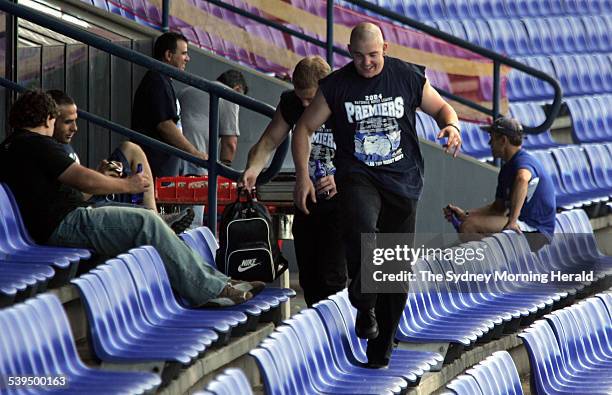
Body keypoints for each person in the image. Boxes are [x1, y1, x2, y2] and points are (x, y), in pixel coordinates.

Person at [292, 22, 461, 368]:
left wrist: (452, 126)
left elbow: (443, 109)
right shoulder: (337, 86)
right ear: (349, 54)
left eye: (372, 55)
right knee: (363, 231)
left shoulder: (406, 77)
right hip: (358, 177)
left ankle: (380, 349)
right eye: (359, 56)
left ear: (384, 49)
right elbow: (304, 128)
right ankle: (364, 302)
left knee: (395, 277)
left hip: (403, 183)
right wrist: (302, 177)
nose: (367, 63)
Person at [0, 90, 263, 307]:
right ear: (48, 118)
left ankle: (220, 283)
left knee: (148, 219)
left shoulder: (14, 145)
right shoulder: (35, 143)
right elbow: (82, 178)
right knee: (145, 224)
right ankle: (210, 291)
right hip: (65, 223)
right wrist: (127, 184)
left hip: (64, 219)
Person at [242, 56, 346, 307]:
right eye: (301, 99)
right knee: (310, 277)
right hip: (308, 196)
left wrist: (341, 176)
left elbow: (369, 152)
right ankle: (318, 333)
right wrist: (254, 169)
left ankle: (351, 332)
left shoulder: (344, 100)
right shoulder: (292, 103)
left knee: (334, 276)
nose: (306, 105)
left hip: (344, 200)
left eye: (311, 99)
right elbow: (268, 142)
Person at [47, 90, 194, 234]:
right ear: (50, 120)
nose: (75, 128)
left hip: (93, 200)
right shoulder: (49, 150)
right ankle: (157, 223)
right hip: (81, 214)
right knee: (146, 220)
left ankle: (155, 216)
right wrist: (116, 182)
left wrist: (102, 173)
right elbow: (73, 201)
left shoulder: (63, 144)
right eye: (68, 122)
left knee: (131, 149)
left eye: (75, 121)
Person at [444, 116, 556, 243]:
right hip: (524, 226)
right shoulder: (507, 168)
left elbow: (522, 178)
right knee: (467, 222)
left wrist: (512, 221)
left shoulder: (522, 161)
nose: (489, 143)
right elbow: (498, 209)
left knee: (469, 226)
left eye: (492, 138)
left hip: (536, 231)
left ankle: (488, 262)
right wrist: (466, 214)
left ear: (503, 140)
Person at [132, 32, 208, 178]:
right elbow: (165, 126)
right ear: (168, 55)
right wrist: (194, 153)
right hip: (155, 166)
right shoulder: (157, 80)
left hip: (160, 165)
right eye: (184, 53)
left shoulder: (162, 79)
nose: (188, 58)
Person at [178, 69, 249, 173]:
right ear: (237, 89)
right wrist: (224, 172)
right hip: (197, 160)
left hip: (172, 155)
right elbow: (230, 144)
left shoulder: (185, 91)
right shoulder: (229, 94)